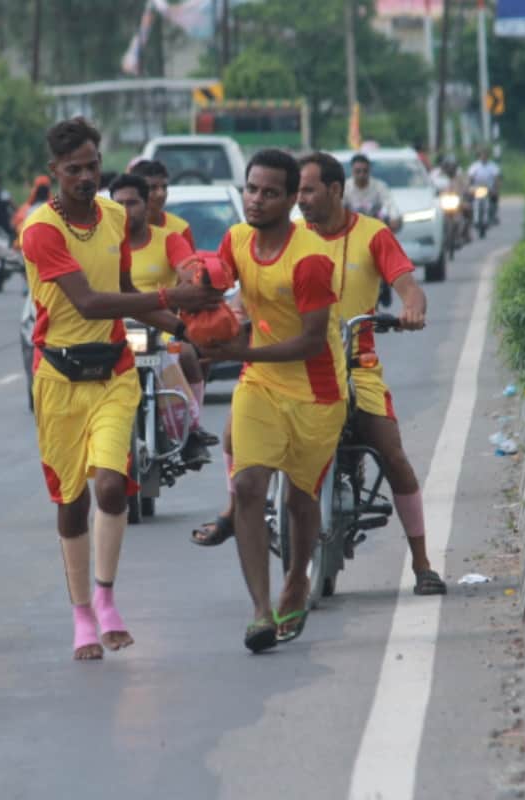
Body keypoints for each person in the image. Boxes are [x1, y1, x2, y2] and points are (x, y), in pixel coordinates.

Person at [21, 117, 221, 661]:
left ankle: (106, 600)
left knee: (111, 487)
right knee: (70, 500)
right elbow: (88, 301)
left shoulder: (112, 216)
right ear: (54, 172)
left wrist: (187, 329)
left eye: (92, 165)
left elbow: (126, 291)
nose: (86, 177)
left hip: (113, 371)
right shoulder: (41, 230)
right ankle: (81, 613)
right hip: (59, 379)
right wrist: (174, 295)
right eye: (73, 169)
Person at [198, 149, 347, 652]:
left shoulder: (308, 259)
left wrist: (237, 348)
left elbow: (310, 340)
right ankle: (261, 610)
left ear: (289, 200)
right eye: (251, 189)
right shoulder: (236, 239)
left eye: (269, 192)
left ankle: (297, 579)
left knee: (301, 499)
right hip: (260, 381)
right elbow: (209, 287)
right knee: (247, 486)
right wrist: (186, 315)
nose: (256, 200)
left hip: (316, 390)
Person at [298, 152, 446, 595]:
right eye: (297, 191)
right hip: (298, 369)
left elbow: (407, 285)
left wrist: (412, 308)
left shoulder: (374, 235)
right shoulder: (289, 238)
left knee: (393, 455)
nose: (299, 199)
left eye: (307, 190)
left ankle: (422, 564)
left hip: (357, 367)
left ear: (336, 190)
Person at [108, 172, 211, 467]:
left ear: (147, 204)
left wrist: (193, 280)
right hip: (115, 328)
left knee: (188, 354)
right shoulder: (105, 245)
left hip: (160, 328)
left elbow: (188, 269)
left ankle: (191, 431)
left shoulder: (169, 239)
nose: (126, 211)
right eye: (119, 204)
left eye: (133, 203)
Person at [129, 159, 196, 250]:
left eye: (164, 187)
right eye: (152, 188)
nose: (161, 194)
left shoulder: (180, 228)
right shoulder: (119, 228)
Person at [343, 154, 400, 232]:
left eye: (365, 171)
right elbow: (339, 206)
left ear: (369, 170)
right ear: (352, 170)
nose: (361, 174)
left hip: (374, 228)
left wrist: (394, 218)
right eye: (358, 171)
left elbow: (389, 204)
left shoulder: (379, 186)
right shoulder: (345, 187)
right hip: (351, 229)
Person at [467, 147, 501, 225]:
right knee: (471, 200)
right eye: (482, 155)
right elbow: (470, 178)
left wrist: (496, 189)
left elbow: (497, 178)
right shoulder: (474, 166)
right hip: (477, 188)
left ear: (488, 156)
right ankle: (472, 218)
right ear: (479, 156)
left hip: (489, 188)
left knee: (495, 199)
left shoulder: (493, 166)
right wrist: (468, 187)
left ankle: (493, 215)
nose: (484, 157)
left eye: (485, 155)